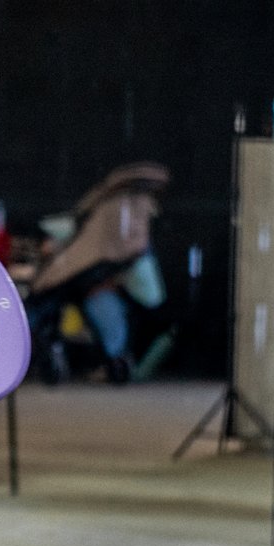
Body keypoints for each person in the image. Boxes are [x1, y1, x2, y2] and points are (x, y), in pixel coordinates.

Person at [25, 161, 169, 384]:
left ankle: (117, 361)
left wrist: (110, 281)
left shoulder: (128, 219)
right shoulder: (94, 219)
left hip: (108, 291)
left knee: (101, 302)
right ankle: (34, 352)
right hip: (75, 287)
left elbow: (133, 269)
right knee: (47, 305)